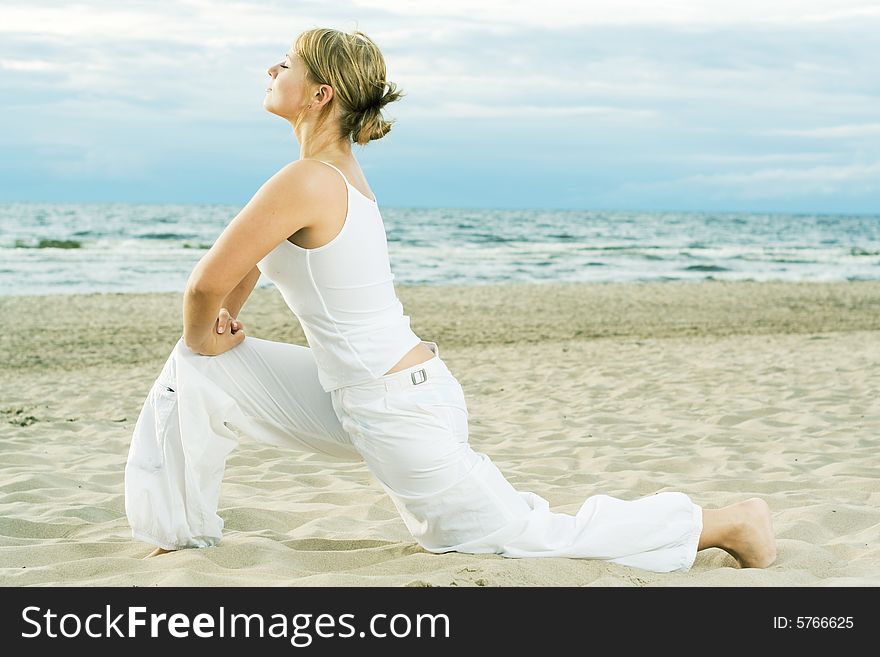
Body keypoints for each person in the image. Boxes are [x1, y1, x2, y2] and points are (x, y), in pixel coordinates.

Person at [124, 27, 776, 573]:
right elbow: (242, 272)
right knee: (200, 370)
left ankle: (724, 523)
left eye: (286, 63)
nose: (272, 68)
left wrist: (204, 328)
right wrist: (211, 333)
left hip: (394, 403)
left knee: (517, 536)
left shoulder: (308, 179)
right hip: (356, 389)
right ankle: (179, 532)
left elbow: (204, 285)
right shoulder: (321, 176)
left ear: (320, 93)